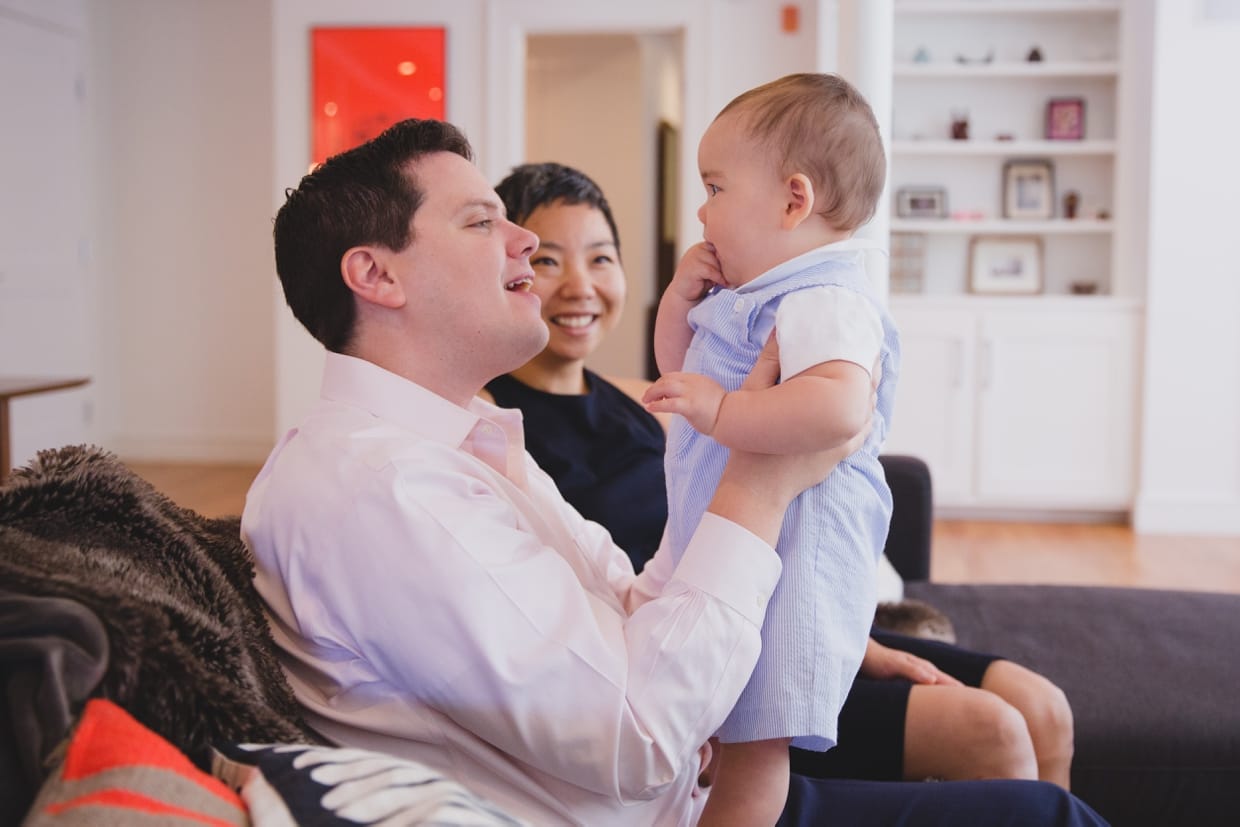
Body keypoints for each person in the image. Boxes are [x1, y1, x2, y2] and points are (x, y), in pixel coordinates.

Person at [243, 117, 1107, 826]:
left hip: (699, 777)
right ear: (376, 274)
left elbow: (634, 597)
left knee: (1031, 796)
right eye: (481, 222)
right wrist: (761, 476)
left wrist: (810, 620)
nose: (523, 241)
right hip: (680, 802)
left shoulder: (464, 434)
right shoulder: (379, 490)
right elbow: (640, 733)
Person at [485, 161, 1074, 792]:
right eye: (549, 261)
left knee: (1041, 706)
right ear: (511, 270)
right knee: (993, 730)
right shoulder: (496, 424)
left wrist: (849, 635)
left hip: (778, 608)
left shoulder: (639, 399)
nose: (581, 286)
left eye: (601, 259)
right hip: (704, 658)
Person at [639, 72, 898, 824]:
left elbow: (838, 407)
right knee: (720, 721)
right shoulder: (757, 292)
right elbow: (676, 373)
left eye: (716, 187)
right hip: (745, 544)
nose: (702, 208)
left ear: (794, 199)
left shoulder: (826, 297)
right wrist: (680, 303)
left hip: (795, 553)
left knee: (755, 743)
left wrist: (724, 408)